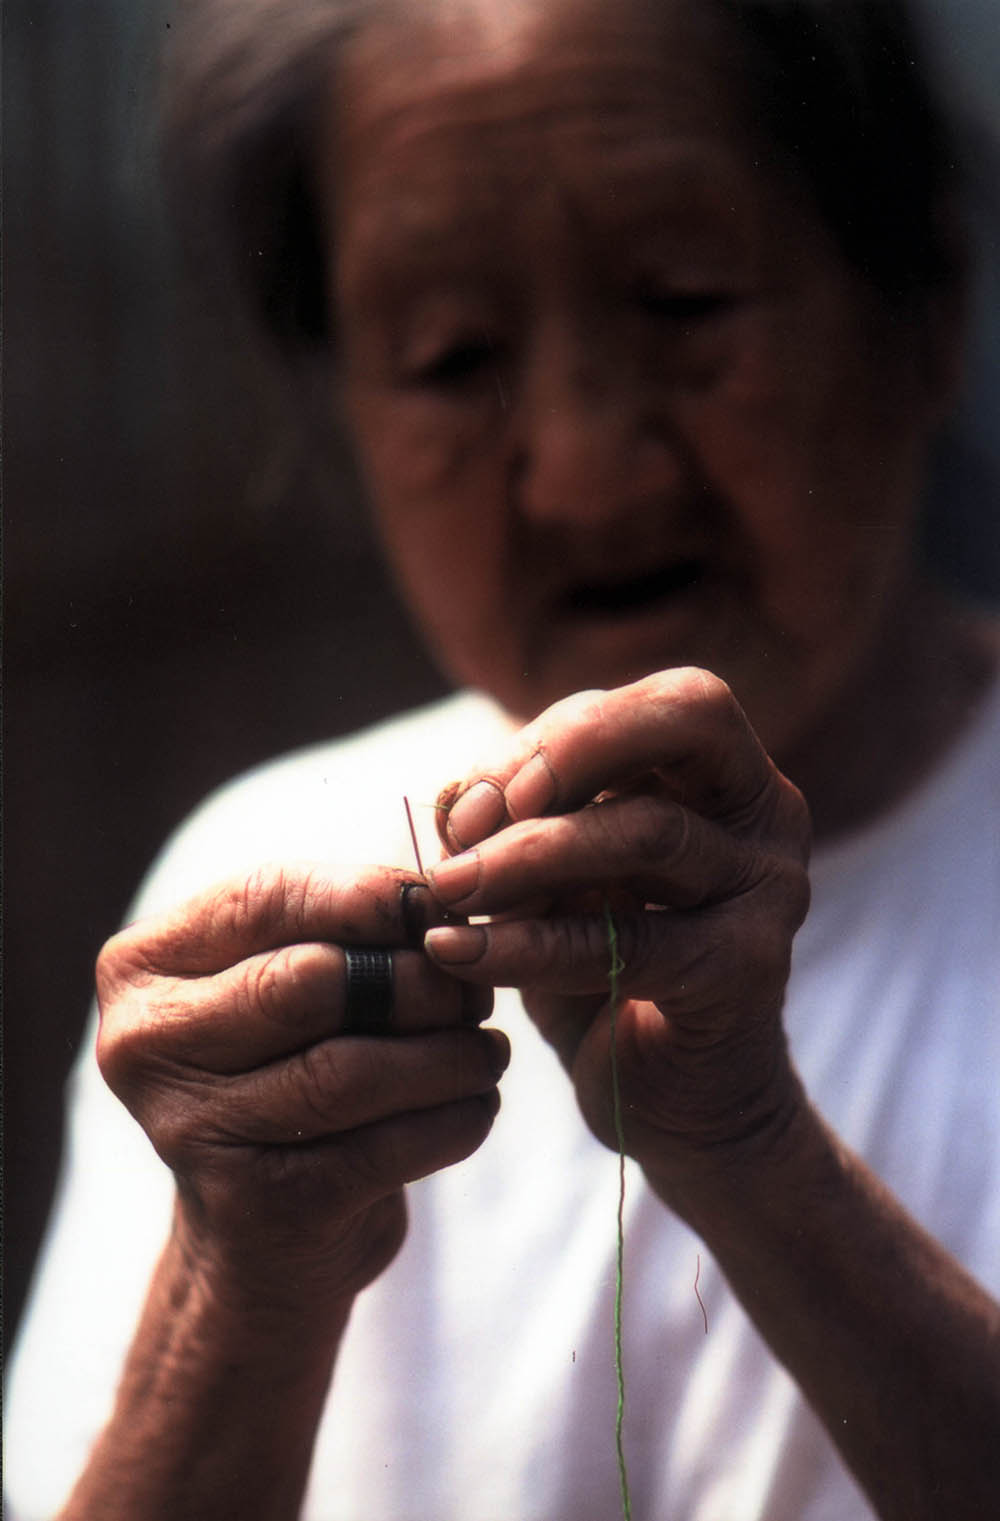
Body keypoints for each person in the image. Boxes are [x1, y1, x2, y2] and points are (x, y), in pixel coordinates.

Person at [7, 0, 1000, 1516]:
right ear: (346, 423)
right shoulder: (251, 912)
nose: (587, 465)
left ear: (923, 309)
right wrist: (239, 1277)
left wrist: (750, 1148)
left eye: (683, 299)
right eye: (454, 354)